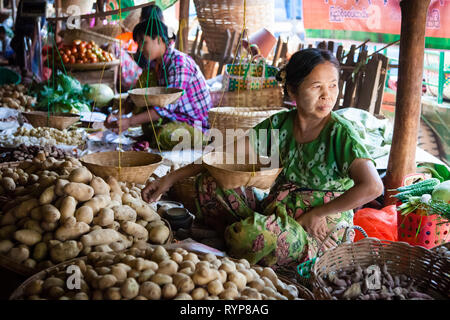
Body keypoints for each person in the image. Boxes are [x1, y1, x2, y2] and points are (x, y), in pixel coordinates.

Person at [141, 48, 384, 268]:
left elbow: (373, 186)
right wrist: (170, 178)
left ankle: (246, 239)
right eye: (316, 86)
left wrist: (318, 213)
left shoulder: (340, 134)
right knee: (211, 181)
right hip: (277, 213)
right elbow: (223, 156)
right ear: (293, 90)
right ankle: (243, 238)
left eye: (333, 85)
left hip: (315, 228)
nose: (327, 95)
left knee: (252, 236)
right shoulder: (281, 123)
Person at [105, 18, 212, 149]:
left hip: (195, 126)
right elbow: (135, 97)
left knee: (163, 135)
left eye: (144, 42)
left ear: (159, 40)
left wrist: (130, 122)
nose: (140, 48)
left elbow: (166, 107)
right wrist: (117, 116)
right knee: (146, 81)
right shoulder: (155, 66)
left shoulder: (179, 63)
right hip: (172, 119)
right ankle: (150, 135)